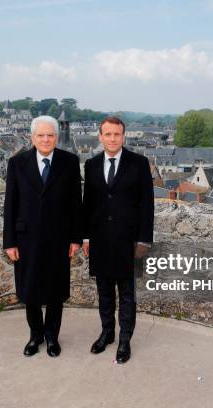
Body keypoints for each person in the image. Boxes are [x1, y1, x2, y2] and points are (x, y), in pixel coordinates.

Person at [3, 115, 82, 357]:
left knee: (56, 291)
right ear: (32, 137)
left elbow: (75, 204)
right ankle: (35, 335)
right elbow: (11, 204)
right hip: (25, 239)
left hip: (58, 239)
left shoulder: (69, 162)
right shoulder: (17, 163)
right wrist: (9, 242)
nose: (46, 139)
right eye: (41, 135)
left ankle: (51, 337)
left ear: (56, 137)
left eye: (50, 135)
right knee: (30, 291)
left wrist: (76, 238)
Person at [82, 116, 154, 363]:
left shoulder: (139, 163)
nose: (112, 139)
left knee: (127, 295)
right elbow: (88, 204)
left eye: (117, 134)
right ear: (100, 137)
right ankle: (107, 333)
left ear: (124, 137)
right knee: (104, 293)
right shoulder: (90, 165)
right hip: (100, 240)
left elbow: (147, 204)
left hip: (129, 242)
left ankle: (125, 340)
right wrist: (86, 237)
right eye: (108, 134)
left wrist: (144, 240)